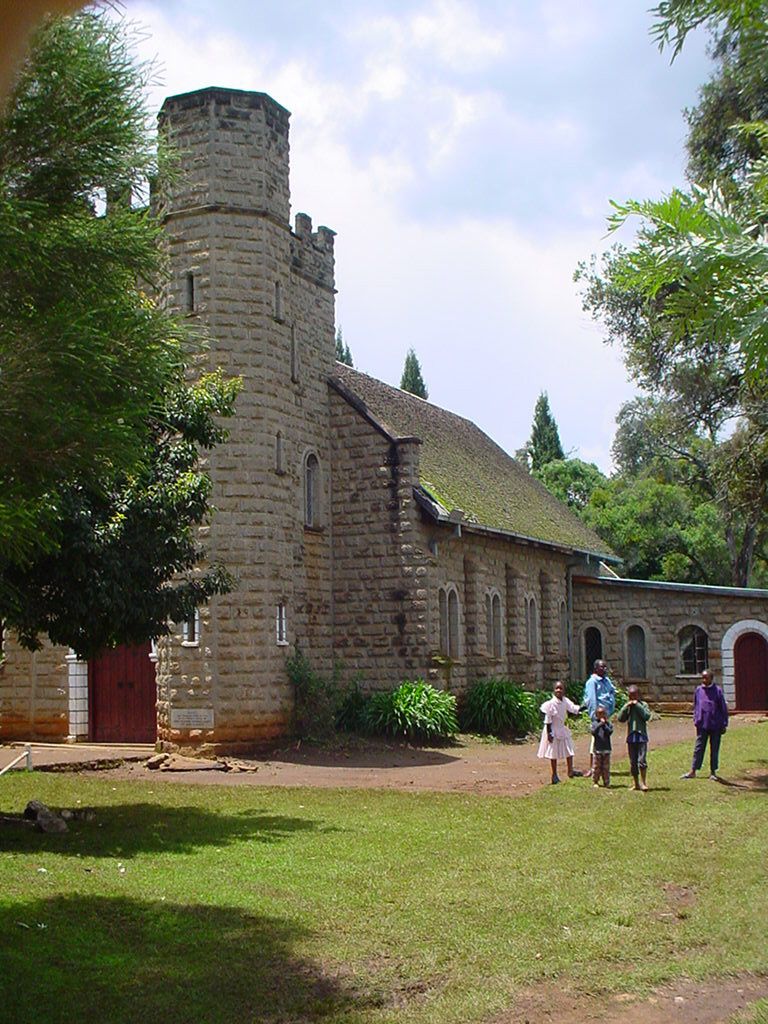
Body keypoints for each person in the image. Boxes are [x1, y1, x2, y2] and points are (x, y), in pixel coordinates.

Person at [681, 669, 729, 781]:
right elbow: (696, 705)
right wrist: (696, 718)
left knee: (714, 748)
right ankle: (693, 770)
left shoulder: (717, 691)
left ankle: (713, 772)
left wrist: (724, 724)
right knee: (698, 748)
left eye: (706, 678)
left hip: (715, 725)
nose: (703, 680)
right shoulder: (698, 690)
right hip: (702, 724)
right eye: (702, 677)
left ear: (711, 678)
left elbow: (723, 708)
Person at [537, 680, 584, 784]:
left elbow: (573, 708)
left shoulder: (565, 701)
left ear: (564, 691)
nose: (559, 690)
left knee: (569, 749)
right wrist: (549, 733)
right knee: (553, 754)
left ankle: (570, 771)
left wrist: (583, 707)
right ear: (553, 690)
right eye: (557, 688)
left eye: (561, 688)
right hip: (553, 729)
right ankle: (554, 775)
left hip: (562, 728)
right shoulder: (550, 704)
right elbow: (548, 720)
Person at [582, 660, 617, 777]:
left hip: (606, 716)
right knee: (596, 742)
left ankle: (602, 766)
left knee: (604, 740)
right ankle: (593, 768)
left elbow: (612, 692)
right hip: (598, 716)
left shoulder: (607, 681)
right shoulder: (592, 682)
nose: (604, 669)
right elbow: (592, 700)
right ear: (596, 669)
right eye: (602, 667)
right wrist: (595, 718)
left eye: (605, 667)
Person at [617, 684, 651, 791]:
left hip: (641, 736)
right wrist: (626, 707)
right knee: (633, 762)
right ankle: (636, 783)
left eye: (634, 696)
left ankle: (644, 782)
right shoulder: (628, 708)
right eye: (630, 696)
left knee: (642, 760)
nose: (632, 699)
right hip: (631, 737)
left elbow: (646, 716)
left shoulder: (643, 705)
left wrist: (637, 705)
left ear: (639, 695)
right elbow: (620, 718)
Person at [590, 705, 612, 788]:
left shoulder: (608, 724)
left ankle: (606, 782)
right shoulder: (594, 724)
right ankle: (595, 781)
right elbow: (593, 732)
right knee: (596, 767)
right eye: (599, 714)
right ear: (596, 715)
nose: (601, 716)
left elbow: (609, 732)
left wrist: (604, 725)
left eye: (603, 714)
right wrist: (600, 724)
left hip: (606, 749)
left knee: (606, 767)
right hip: (597, 749)